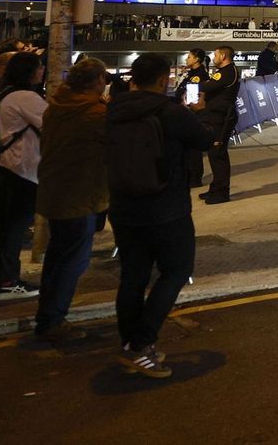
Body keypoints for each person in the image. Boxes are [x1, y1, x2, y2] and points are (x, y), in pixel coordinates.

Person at [107, 52, 212, 378]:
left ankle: (132, 348)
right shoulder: (170, 112)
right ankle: (141, 343)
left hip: (123, 208)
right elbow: (205, 140)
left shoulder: (111, 111)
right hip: (167, 209)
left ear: (132, 78)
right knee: (177, 271)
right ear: (164, 79)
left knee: (133, 277)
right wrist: (199, 113)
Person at [32, 57, 110, 342]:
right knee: (72, 261)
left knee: (57, 257)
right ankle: (52, 321)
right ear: (98, 81)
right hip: (79, 196)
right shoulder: (94, 114)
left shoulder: (58, 106)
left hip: (55, 191)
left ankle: (47, 315)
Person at [0, 51, 46, 300]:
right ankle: (6, 281)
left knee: (5, 227)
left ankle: (2, 278)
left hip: (8, 168)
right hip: (22, 170)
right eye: (39, 67)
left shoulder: (7, 94)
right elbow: (53, 124)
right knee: (13, 229)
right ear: (29, 72)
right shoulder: (25, 97)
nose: (42, 71)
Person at [199, 46, 240, 205]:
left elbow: (207, 86)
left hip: (222, 117)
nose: (213, 57)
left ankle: (222, 192)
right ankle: (215, 187)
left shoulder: (228, 72)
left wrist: (197, 86)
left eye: (215, 54)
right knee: (214, 153)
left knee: (218, 154)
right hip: (215, 115)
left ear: (223, 56)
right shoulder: (223, 71)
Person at [175, 50, 209, 188]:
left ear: (197, 59)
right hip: (188, 112)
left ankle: (194, 178)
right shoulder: (192, 74)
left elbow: (191, 97)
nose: (187, 59)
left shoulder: (198, 75)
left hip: (193, 114)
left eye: (189, 57)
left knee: (193, 149)